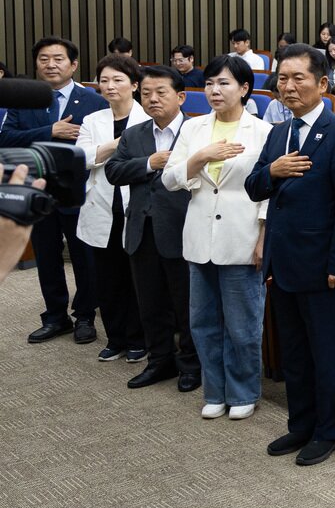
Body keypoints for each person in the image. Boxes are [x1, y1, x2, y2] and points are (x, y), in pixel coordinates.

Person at [246, 44, 335, 465]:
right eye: (283, 78)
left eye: (299, 78)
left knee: (326, 352)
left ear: (322, 83)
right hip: (284, 262)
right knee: (294, 352)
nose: (289, 86)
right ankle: (300, 425)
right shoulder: (279, 132)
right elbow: (254, 187)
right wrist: (272, 171)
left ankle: (330, 431)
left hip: (324, 266)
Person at [164, 55, 271, 421]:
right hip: (199, 237)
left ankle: (243, 391)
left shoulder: (262, 131)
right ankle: (215, 390)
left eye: (224, 83)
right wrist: (200, 158)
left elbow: (270, 191)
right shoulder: (194, 129)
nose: (214, 90)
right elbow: (170, 179)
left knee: (243, 325)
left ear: (244, 89)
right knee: (204, 323)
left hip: (241, 236)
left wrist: (262, 237)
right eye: (210, 83)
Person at [0, 36, 106, 344]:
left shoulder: (94, 101)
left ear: (73, 65)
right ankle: (55, 316)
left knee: (84, 258)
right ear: (36, 64)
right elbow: (6, 139)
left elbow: (100, 146)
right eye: (44, 59)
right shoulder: (25, 98)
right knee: (46, 257)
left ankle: (85, 316)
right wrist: (50, 131)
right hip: (38, 190)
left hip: (79, 190)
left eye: (58, 59)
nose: (50, 64)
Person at [105, 66, 201, 391]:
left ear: (181, 96)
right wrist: (149, 163)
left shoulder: (198, 130)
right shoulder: (135, 133)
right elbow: (113, 171)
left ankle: (190, 364)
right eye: (146, 93)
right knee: (150, 302)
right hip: (141, 230)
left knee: (186, 303)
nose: (152, 99)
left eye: (161, 92)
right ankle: (159, 361)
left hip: (183, 229)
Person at [77, 54, 150, 364]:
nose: (110, 86)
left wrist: (104, 151)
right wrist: (120, 144)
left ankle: (138, 339)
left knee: (137, 278)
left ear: (134, 84)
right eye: (104, 80)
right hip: (101, 206)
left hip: (137, 207)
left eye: (118, 80)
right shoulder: (93, 120)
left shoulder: (149, 118)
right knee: (107, 279)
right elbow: (80, 158)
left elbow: (148, 163)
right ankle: (115, 338)